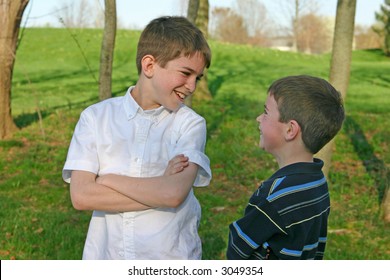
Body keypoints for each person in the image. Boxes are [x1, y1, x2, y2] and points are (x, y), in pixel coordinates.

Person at [62, 16, 212, 260]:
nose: (192, 86)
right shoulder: (95, 118)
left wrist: (107, 179)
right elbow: (81, 196)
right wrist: (160, 185)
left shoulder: (190, 124)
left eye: (198, 77)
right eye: (186, 73)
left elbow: (173, 194)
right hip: (106, 257)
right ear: (149, 65)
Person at [226, 75, 345, 260]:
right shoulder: (318, 182)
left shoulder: (274, 196)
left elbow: (238, 249)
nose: (259, 118)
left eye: (266, 113)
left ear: (290, 130)